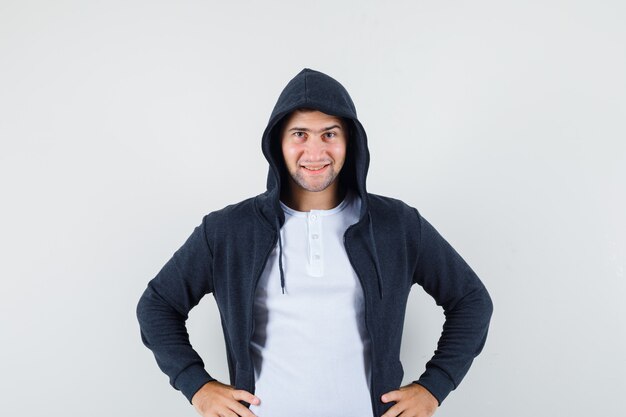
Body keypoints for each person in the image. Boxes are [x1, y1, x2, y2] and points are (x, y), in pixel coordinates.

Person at [136, 68, 493, 417]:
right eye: (300, 134)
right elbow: (157, 305)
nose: (315, 151)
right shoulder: (228, 230)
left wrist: (434, 387)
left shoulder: (396, 225)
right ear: (278, 142)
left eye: (329, 134)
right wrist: (197, 386)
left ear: (349, 141)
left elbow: (471, 300)